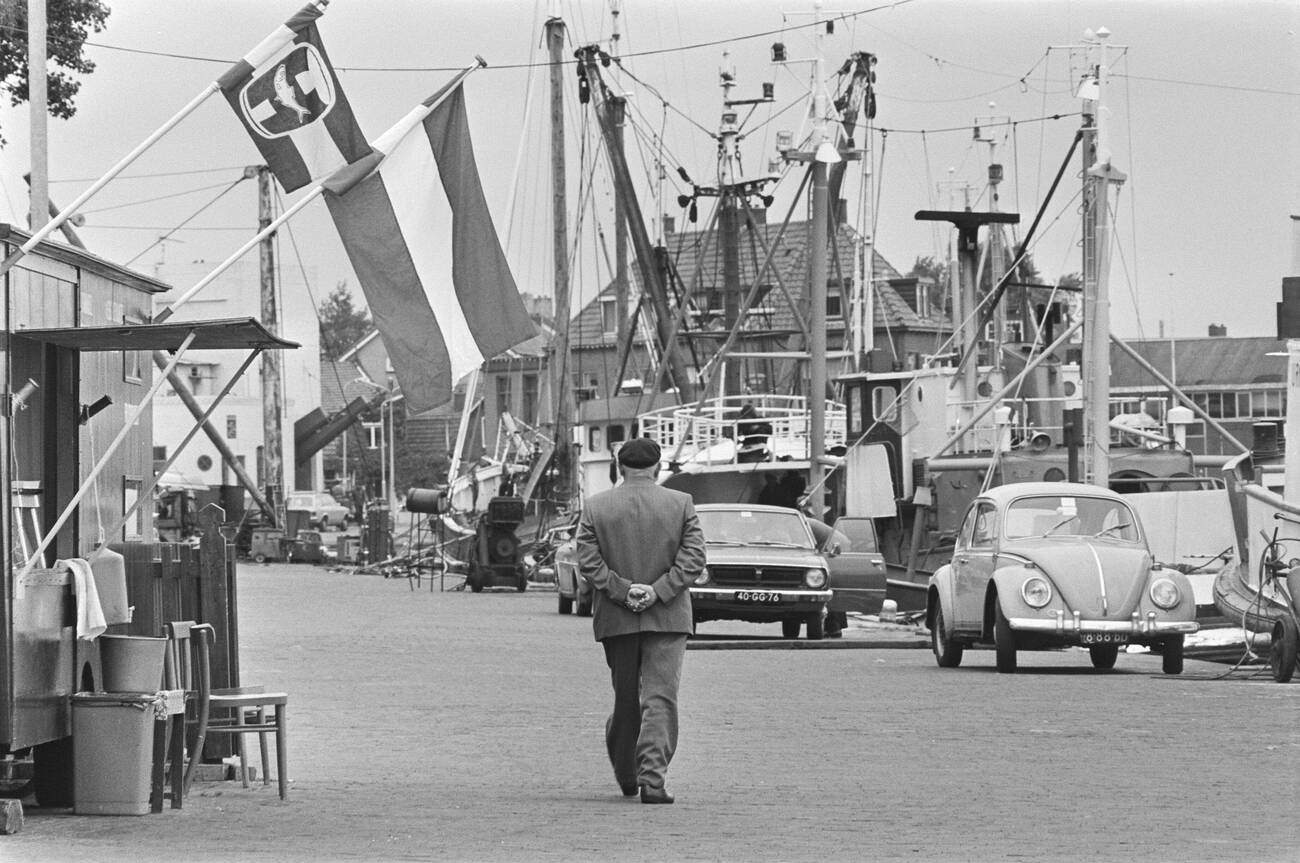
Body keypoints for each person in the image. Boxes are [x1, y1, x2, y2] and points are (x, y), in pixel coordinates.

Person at [576, 436, 706, 804]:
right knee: (660, 698)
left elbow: (588, 561)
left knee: (626, 700)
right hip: (668, 617)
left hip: (616, 618)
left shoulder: (596, 507)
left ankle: (627, 773)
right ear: (658, 467)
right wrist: (658, 591)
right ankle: (653, 780)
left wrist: (623, 590)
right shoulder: (681, 504)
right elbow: (694, 558)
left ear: (619, 468)